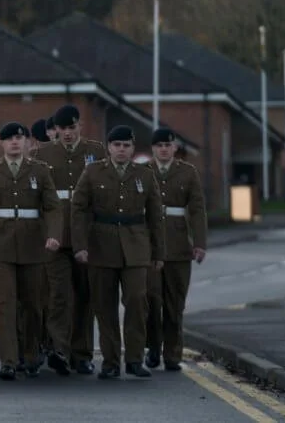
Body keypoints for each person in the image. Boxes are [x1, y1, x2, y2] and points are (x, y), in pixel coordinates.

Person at [0, 121, 64, 381]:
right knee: (4, 303)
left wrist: (54, 234)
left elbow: (53, 206)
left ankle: (30, 356)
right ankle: (8, 361)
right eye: (9, 139)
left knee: (33, 304)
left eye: (19, 138)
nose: (15, 142)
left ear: (27, 142)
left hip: (32, 245)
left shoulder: (40, 170)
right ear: (2, 143)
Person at [71, 125, 166, 379]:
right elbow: (78, 209)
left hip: (136, 247)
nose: (121, 150)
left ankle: (134, 359)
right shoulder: (92, 172)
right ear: (108, 147)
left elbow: (156, 216)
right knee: (104, 306)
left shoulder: (144, 175)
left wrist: (158, 252)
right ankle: (111, 361)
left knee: (136, 301)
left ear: (133, 149)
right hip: (101, 245)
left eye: (126, 145)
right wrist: (80, 245)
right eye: (116, 145)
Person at [35, 104, 106, 375]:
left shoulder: (96, 153)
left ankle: (82, 354)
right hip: (54, 237)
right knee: (59, 296)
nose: (67, 133)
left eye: (71, 128)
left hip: (86, 237)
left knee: (85, 297)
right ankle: (59, 350)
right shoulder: (42, 154)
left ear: (79, 127)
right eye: (62, 128)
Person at [145, 128, 207, 372]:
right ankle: (152, 348)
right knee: (151, 301)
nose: (163, 149)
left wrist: (199, 243)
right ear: (152, 148)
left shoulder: (188, 173)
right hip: (150, 248)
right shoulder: (143, 172)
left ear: (174, 148)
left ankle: (172, 354)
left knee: (175, 304)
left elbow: (197, 210)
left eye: (167, 145)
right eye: (159, 145)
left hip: (179, 246)